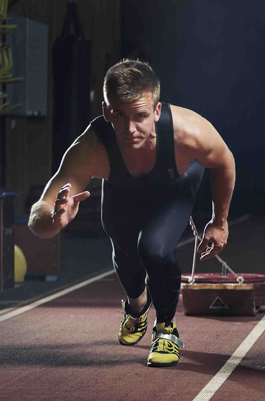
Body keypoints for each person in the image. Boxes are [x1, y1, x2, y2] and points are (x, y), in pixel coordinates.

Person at [29, 59, 236, 368]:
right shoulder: (91, 147)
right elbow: (38, 216)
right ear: (105, 109)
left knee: (152, 249)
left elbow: (224, 162)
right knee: (123, 248)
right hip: (123, 187)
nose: (129, 129)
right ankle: (137, 307)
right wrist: (53, 221)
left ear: (156, 110)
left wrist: (219, 222)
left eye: (140, 116)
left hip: (175, 182)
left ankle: (165, 328)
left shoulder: (187, 131)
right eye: (119, 115)